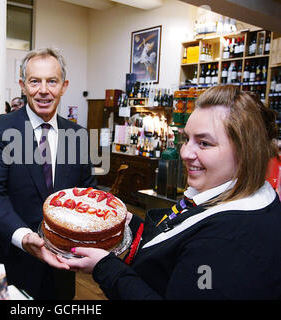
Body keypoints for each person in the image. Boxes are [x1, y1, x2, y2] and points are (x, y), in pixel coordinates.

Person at [61, 85, 281, 299]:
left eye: (203, 143)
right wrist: (133, 225)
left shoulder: (226, 241)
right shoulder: (226, 195)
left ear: (245, 152)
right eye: (187, 139)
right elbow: (174, 246)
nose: (185, 152)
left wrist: (105, 267)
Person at [0, 47, 96, 299]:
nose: (43, 90)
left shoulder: (79, 136)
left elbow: (87, 193)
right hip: (8, 262)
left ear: (64, 86)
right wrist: (24, 236)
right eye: (34, 81)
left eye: (52, 81)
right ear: (22, 85)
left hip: (60, 270)